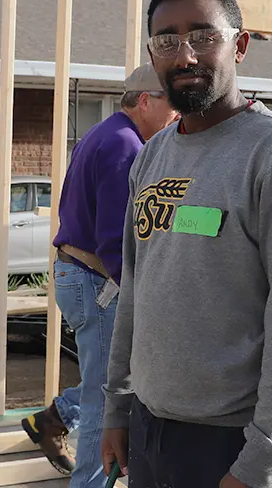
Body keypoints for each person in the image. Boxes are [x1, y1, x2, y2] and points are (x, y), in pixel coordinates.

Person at [99, 0, 272, 488]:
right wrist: (118, 409)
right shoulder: (155, 154)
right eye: (167, 40)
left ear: (240, 45)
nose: (184, 55)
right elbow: (134, 290)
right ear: (152, 53)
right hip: (150, 427)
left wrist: (262, 460)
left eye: (204, 36)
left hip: (233, 444)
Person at [21, 63, 178, 488]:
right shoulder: (125, 146)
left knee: (109, 385)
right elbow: (114, 239)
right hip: (97, 280)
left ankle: (52, 420)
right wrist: (139, 296)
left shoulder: (104, 133)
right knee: (103, 402)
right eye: (173, 106)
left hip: (80, 275)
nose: (178, 116)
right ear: (145, 101)